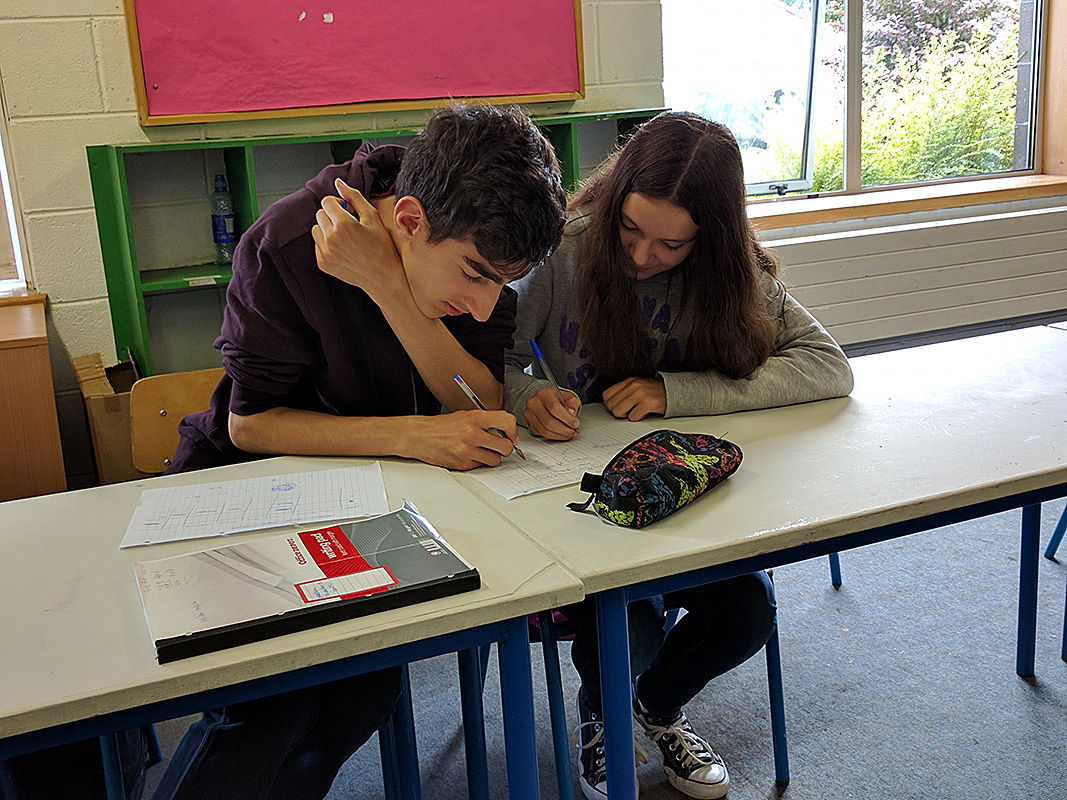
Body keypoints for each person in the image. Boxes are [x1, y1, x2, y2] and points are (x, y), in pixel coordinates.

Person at [145, 104, 566, 800]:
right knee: (276, 707)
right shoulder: (284, 241)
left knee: (364, 691)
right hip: (248, 488)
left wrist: (386, 285)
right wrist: (411, 435)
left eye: (501, 282)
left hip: (368, 499)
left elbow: (477, 396)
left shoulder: (466, 234)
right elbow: (251, 426)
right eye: (474, 275)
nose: (483, 306)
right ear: (409, 219)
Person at [504, 111, 853, 800]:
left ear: (710, 238)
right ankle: (602, 715)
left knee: (746, 612)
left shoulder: (733, 272)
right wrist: (525, 396)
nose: (641, 257)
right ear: (613, 202)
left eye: (670, 245)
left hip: (690, 502)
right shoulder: (566, 247)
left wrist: (677, 393)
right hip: (583, 505)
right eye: (629, 229)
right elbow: (493, 359)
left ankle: (655, 706)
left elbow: (827, 366)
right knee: (625, 623)